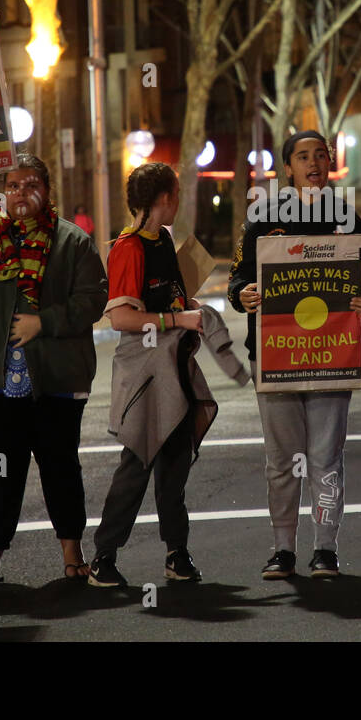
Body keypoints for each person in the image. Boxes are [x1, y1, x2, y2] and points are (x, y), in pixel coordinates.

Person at [0, 155, 108, 588]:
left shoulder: (73, 242)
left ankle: (73, 555)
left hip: (55, 378)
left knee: (60, 467)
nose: (21, 192)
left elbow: (93, 300)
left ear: (47, 191)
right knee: (0, 469)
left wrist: (45, 322)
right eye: (13, 185)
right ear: (4, 192)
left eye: (30, 184)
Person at [228, 130, 361, 579]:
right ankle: (283, 548)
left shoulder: (349, 222)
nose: (314, 163)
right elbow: (237, 280)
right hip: (274, 357)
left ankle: (326, 549)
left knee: (326, 456)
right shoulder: (262, 220)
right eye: (303, 156)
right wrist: (244, 294)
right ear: (287, 168)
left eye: (321, 156)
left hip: (333, 355)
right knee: (281, 457)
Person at [88, 162, 212, 588]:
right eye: (176, 193)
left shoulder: (162, 238)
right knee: (137, 464)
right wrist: (177, 320)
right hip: (144, 372)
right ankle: (103, 558)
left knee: (175, 465)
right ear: (163, 198)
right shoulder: (128, 248)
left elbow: (162, 300)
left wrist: (185, 304)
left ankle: (177, 553)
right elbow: (120, 317)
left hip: (172, 367)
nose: (179, 200)